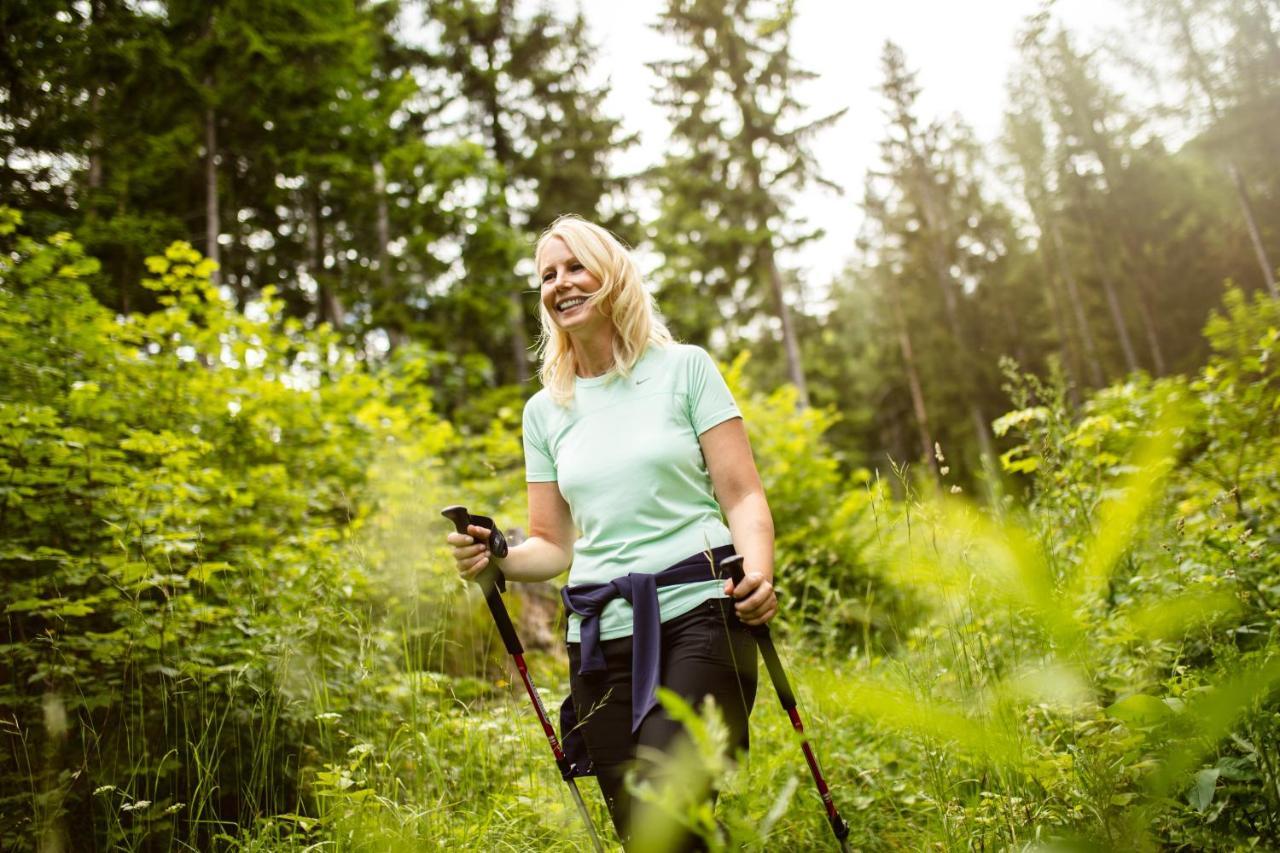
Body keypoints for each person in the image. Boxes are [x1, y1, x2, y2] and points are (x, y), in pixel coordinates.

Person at [447, 214, 778, 850]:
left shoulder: (685, 369)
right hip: (599, 636)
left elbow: (742, 494)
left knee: (666, 796)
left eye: (575, 267)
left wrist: (757, 573)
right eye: (547, 274)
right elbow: (552, 545)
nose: (560, 284)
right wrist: (496, 553)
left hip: (703, 612)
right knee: (640, 828)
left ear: (613, 276)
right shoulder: (546, 410)